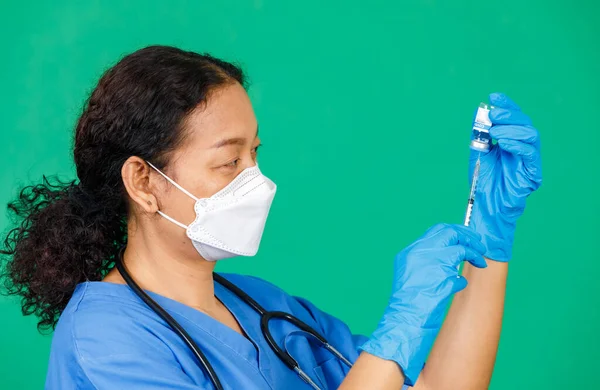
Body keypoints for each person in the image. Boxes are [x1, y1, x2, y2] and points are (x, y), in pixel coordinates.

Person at [0, 45, 542, 390]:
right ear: (143, 182)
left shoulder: (266, 308)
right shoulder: (103, 343)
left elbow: (434, 389)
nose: (256, 181)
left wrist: (487, 246)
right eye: (229, 161)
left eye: (255, 154)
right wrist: (394, 336)